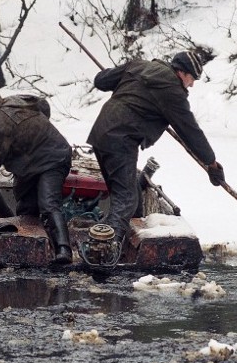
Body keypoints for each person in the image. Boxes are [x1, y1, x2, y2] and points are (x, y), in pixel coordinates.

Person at [86, 50, 226, 246]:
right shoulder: (172, 92)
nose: (192, 84)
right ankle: (105, 249)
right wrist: (211, 163)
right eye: (192, 78)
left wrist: (124, 77)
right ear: (182, 72)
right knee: (126, 200)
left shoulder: (139, 65)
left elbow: (101, 81)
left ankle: (123, 241)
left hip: (101, 133)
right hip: (122, 141)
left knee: (129, 192)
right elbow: (190, 130)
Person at [0, 80, 74, 265]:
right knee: (26, 206)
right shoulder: (15, 100)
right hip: (30, 165)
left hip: (53, 158)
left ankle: (63, 250)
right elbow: (42, 105)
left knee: (48, 202)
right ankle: (31, 248)